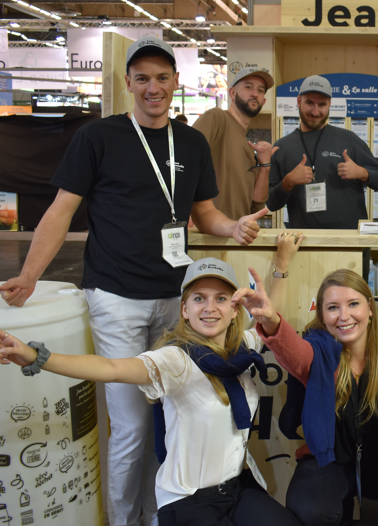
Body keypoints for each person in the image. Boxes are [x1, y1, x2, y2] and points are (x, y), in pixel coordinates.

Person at [0, 37, 266, 526]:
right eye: (142, 78)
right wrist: (30, 275)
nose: (153, 87)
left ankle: (157, 515)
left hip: (174, 299)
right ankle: (125, 521)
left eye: (162, 78)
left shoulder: (191, 143)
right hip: (115, 296)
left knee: (170, 418)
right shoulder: (98, 138)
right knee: (130, 426)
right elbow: (61, 210)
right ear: (128, 84)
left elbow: (204, 214)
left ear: (176, 83)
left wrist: (235, 227)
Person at [0, 258, 301, 526]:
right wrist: (37, 357)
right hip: (189, 499)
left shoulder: (241, 349)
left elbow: (269, 314)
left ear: (234, 310)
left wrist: (282, 265)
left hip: (238, 487)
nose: (210, 308)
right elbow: (110, 368)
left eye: (221, 298)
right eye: (199, 298)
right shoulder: (176, 359)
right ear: (185, 309)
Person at [260, 252, 378, 526]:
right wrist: (271, 322)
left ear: (370, 307)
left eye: (353, 304)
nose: (344, 316)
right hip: (330, 463)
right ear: (322, 315)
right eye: (333, 307)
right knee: (310, 508)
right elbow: (295, 354)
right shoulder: (317, 349)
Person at [266, 75, 378, 229]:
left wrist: (362, 173)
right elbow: (271, 203)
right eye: (309, 103)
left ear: (329, 104)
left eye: (322, 104)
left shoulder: (348, 139)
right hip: (304, 242)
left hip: (350, 241)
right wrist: (288, 182)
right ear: (298, 102)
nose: (315, 111)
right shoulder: (281, 148)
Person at [195, 67, 278, 220]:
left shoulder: (247, 144)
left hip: (236, 235)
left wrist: (265, 166)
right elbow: (185, 163)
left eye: (260, 91)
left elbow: (256, 205)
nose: (255, 94)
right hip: (209, 235)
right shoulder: (217, 118)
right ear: (232, 93)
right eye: (248, 87)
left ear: (263, 101)